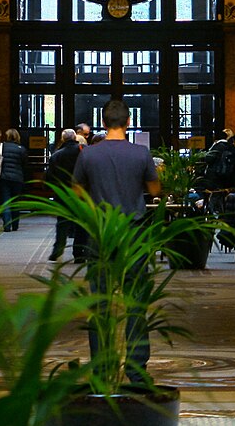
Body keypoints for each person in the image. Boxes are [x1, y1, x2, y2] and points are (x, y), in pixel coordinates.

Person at [72, 98, 161, 381]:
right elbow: (155, 188)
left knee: (99, 302)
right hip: (133, 232)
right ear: (129, 121)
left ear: (102, 121)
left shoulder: (88, 155)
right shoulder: (141, 154)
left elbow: (75, 191)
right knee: (136, 301)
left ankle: (102, 365)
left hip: (100, 233)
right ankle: (136, 367)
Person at [46, 128, 86, 260]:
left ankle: (58, 249)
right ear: (75, 137)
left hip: (63, 194)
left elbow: (50, 176)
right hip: (82, 193)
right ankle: (79, 252)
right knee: (81, 223)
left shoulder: (56, 155)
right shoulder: (83, 151)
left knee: (62, 222)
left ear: (63, 139)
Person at [0, 129, 28, 231]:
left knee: (5, 201)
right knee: (16, 202)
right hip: (17, 178)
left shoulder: (2, 147)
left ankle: (7, 225)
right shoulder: (21, 149)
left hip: (4, 177)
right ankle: (15, 225)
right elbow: (24, 164)